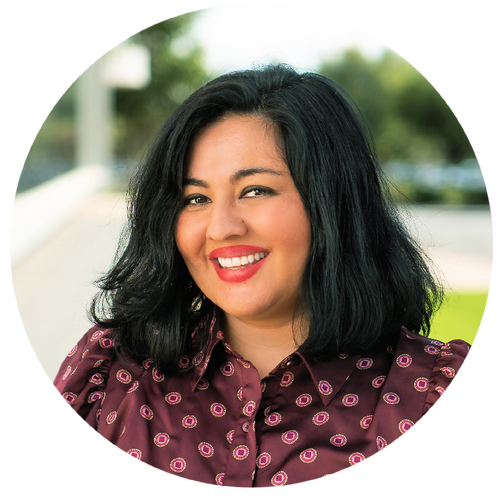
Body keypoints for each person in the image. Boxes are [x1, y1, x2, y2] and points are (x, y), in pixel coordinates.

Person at [52, 63, 473, 490]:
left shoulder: (430, 392)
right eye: (196, 198)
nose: (221, 228)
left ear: (332, 204)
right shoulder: (109, 376)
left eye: (255, 191)